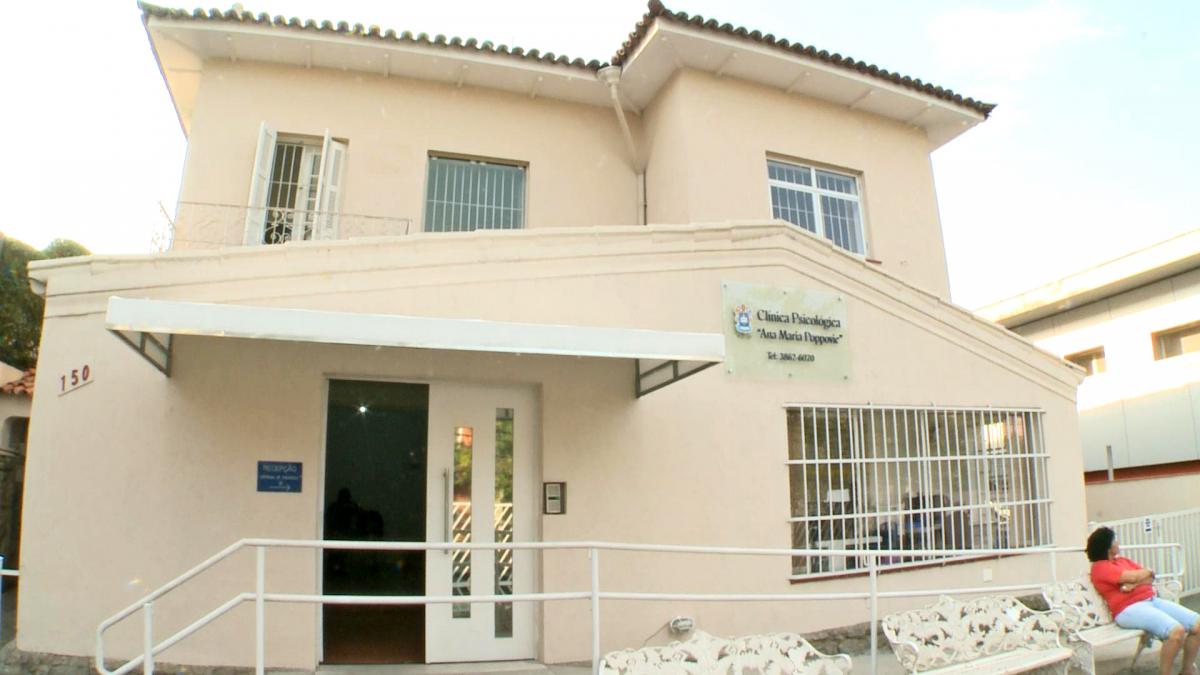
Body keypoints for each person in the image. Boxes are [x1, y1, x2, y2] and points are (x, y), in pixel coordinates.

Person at [1087, 526, 1200, 675]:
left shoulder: (1122, 561)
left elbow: (1149, 578)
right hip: (1128, 609)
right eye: (1115, 540)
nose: (1118, 542)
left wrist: (1137, 581)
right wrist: (1142, 574)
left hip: (1151, 600)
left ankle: (1187, 670)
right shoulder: (1100, 567)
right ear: (1107, 546)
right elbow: (1134, 576)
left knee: (1197, 624)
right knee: (1176, 632)